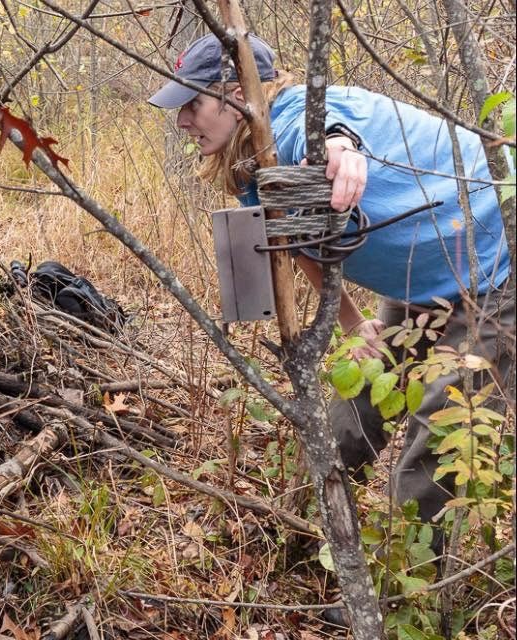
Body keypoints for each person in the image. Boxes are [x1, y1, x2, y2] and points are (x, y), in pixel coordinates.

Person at [148, 33, 514, 547]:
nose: (183, 120)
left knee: (441, 429)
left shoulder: (300, 114)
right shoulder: (256, 160)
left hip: (498, 265)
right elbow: (296, 239)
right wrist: (350, 323)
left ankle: (402, 588)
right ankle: (299, 541)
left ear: (235, 93)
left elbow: (330, 137)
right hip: (417, 285)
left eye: (193, 104)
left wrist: (341, 154)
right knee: (352, 410)